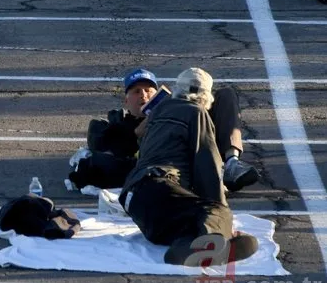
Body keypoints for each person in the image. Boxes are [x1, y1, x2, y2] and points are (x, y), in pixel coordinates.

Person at [118, 68, 258, 265]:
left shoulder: (158, 111)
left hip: (134, 200)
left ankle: (185, 245)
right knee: (215, 212)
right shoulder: (197, 113)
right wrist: (220, 215)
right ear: (206, 97)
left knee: (186, 221)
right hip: (158, 187)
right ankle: (212, 242)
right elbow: (207, 168)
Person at [69, 68, 259, 192]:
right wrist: (143, 127)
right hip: (170, 166)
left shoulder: (176, 109)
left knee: (226, 94)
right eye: (136, 92)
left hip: (200, 146)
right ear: (125, 101)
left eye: (149, 91)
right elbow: (103, 146)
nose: (143, 95)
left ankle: (231, 162)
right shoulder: (112, 125)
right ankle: (212, 174)